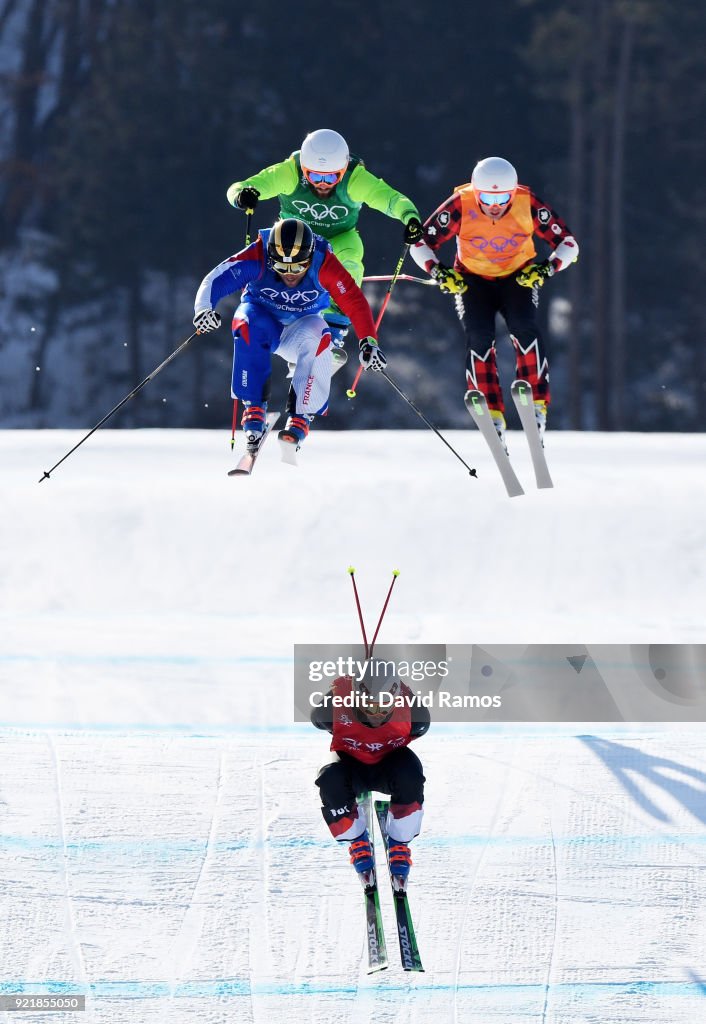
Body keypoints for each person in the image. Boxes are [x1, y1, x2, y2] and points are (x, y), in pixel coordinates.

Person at [411, 156, 579, 447]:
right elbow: (420, 243)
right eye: (487, 197)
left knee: (524, 327)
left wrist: (547, 268)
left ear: (513, 192)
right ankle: (490, 409)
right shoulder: (460, 203)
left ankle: (536, 405)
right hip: (472, 280)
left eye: (503, 197)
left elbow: (569, 244)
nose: (495, 204)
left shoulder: (528, 203)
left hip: (518, 278)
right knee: (479, 335)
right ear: (476, 191)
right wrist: (439, 272)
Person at [226, 129, 423, 363]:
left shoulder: (354, 178)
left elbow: (391, 199)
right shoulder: (290, 172)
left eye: (331, 178)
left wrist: (410, 217)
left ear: (342, 171)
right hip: (294, 237)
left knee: (351, 254)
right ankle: (280, 319)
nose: (322, 184)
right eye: (314, 176)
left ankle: (333, 330)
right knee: (278, 252)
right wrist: (242, 196)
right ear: (305, 170)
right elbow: (242, 187)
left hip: (338, 237)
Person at [193, 218, 385, 450]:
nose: (290, 274)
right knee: (244, 319)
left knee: (319, 332)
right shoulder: (258, 254)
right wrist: (204, 309)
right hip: (263, 326)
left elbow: (355, 302)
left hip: (301, 331)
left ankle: (301, 417)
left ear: (310, 257)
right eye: (282, 267)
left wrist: (369, 342)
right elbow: (215, 278)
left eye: (297, 267)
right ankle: (254, 408)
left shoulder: (324, 263)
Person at [312, 667, 429, 885]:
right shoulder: (338, 702)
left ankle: (399, 842)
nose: (376, 714)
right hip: (351, 767)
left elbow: (420, 726)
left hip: (387, 768)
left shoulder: (414, 713)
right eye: (369, 706)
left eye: (384, 706)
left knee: (410, 772)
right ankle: (357, 838)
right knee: (329, 778)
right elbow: (318, 719)